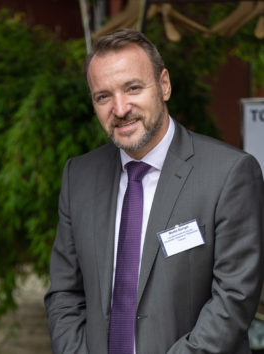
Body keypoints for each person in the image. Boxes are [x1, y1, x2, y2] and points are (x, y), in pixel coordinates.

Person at [44, 28, 264, 353]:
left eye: (133, 88)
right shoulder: (79, 176)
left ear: (164, 85)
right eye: (103, 96)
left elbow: (233, 299)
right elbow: (64, 293)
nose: (120, 109)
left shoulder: (229, 173)